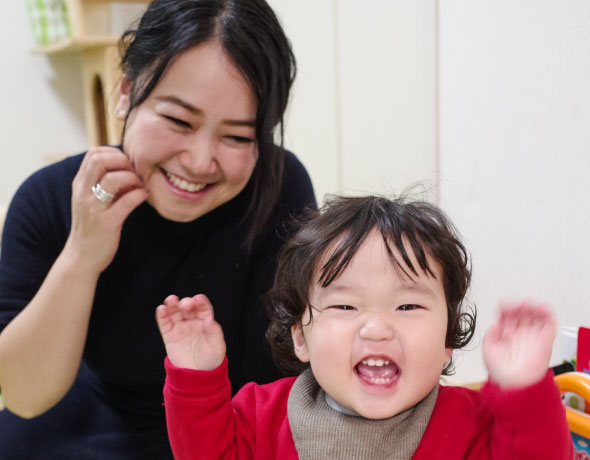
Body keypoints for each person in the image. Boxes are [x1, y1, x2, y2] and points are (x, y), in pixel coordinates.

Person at [0, 0, 315, 458]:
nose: (200, 161)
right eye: (178, 121)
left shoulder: (279, 190)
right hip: (79, 427)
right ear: (127, 90)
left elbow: (284, 382)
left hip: (224, 433)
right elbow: (26, 395)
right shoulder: (49, 197)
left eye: (238, 137)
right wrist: (82, 254)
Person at [158, 194, 573, 460]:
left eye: (407, 305)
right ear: (301, 335)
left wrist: (523, 388)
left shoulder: (473, 427)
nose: (376, 328)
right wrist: (196, 377)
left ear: (448, 340)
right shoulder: (260, 417)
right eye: (345, 304)